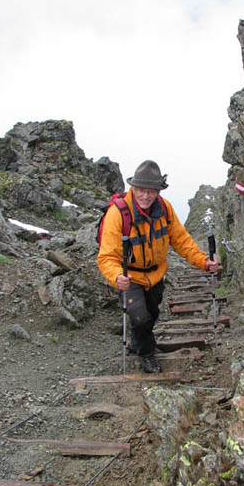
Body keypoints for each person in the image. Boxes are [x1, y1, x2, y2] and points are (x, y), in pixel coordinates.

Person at [97, 160, 220, 373]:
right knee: (139, 316)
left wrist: (203, 261)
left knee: (152, 314)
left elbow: (181, 241)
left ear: (158, 191)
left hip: (155, 275)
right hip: (130, 278)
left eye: (151, 191)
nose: (146, 196)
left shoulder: (164, 209)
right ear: (132, 189)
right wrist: (117, 276)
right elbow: (107, 256)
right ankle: (147, 354)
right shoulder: (118, 214)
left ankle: (138, 343)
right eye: (141, 190)